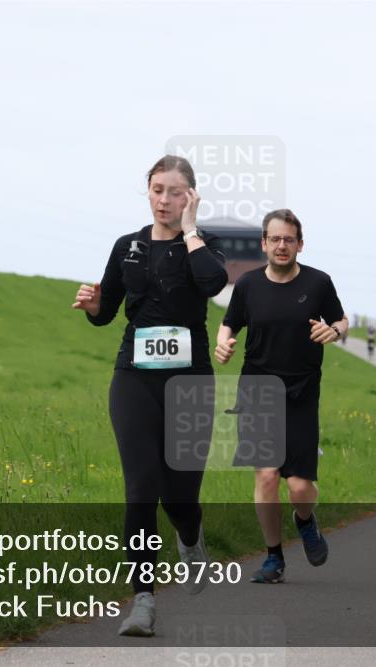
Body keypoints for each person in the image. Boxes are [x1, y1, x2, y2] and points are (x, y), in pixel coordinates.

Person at [72, 155, 228, 637]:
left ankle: (190, 537)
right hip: (134, 378)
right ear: (148, 190)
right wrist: (94, 306)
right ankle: (143, 601)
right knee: (140, 491)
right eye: (157, 190)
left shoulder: (205, 245)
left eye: (175, 192)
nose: (164, 200)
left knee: (179, 498)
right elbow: (107, 313)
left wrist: (191, 230)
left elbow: (213, 283)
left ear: (191, 196)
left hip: (190, 383)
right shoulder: (128, 246)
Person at [215, 208, 347, 584]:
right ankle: (273, 557)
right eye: (275, 239)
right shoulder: (248, 285)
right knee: (267, 476)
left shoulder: (318, 283)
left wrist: (335, 331)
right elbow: (229, 324)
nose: (282, 245)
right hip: (257, 390)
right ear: (264, 244)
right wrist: (223, 344)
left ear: (300, 244)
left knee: (299, 486)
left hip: (301, 392)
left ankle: (305, 520)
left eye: (289, 239)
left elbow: (341, 320)